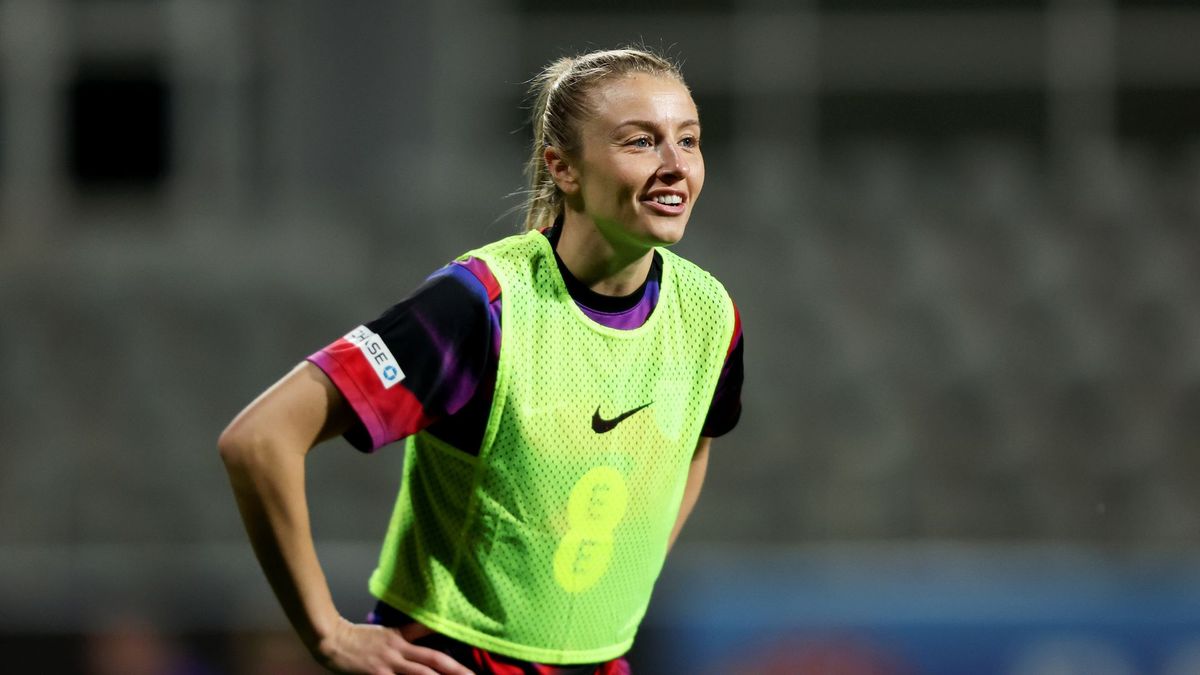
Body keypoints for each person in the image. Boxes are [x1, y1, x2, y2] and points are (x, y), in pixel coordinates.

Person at [219, 47, 744, 675]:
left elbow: (694, 446)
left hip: (601, 662)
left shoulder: (710, 313)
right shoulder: (480, 305)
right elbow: (259, 440)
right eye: (641, 142)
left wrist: (618, 583)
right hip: (453, 657)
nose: (675, 166)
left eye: (688, 140)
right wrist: (327, 634)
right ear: (563, 167)